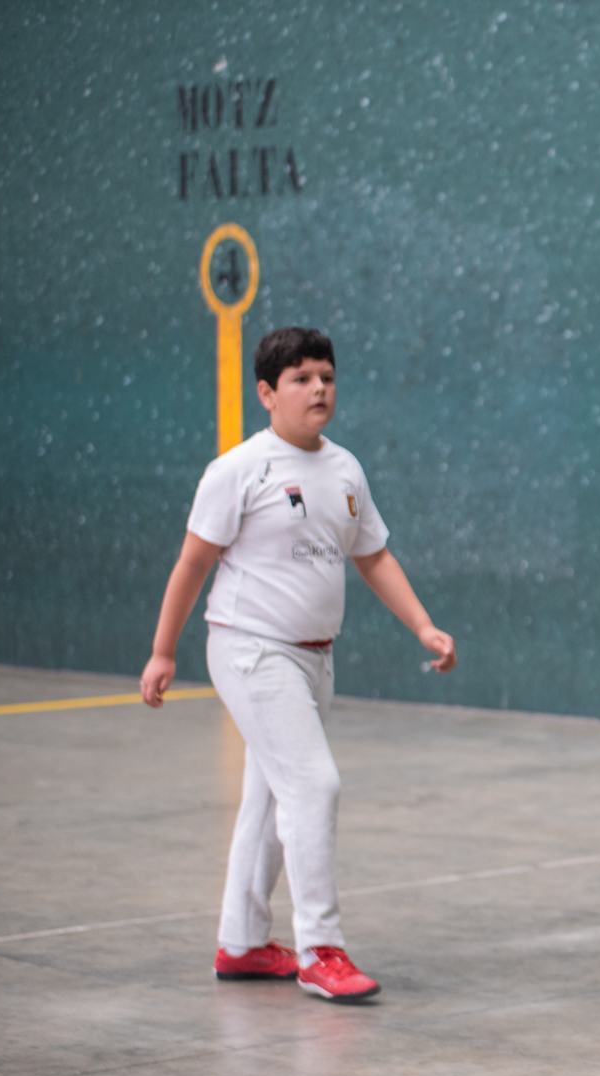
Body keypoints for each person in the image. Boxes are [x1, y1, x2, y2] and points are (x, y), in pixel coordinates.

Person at [140, 327, 456, 1002]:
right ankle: (320, 949)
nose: (319, 389)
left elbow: (373, 555)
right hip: (251, 649)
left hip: (315, 659)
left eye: (327, 377)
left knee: (270, 798)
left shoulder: (345, 470)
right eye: (302, 378)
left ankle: (243, 943)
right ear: (267, 392)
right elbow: (192, 563)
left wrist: (423, 624)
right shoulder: (239, 470)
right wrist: (163, 650)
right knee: (314, 785)